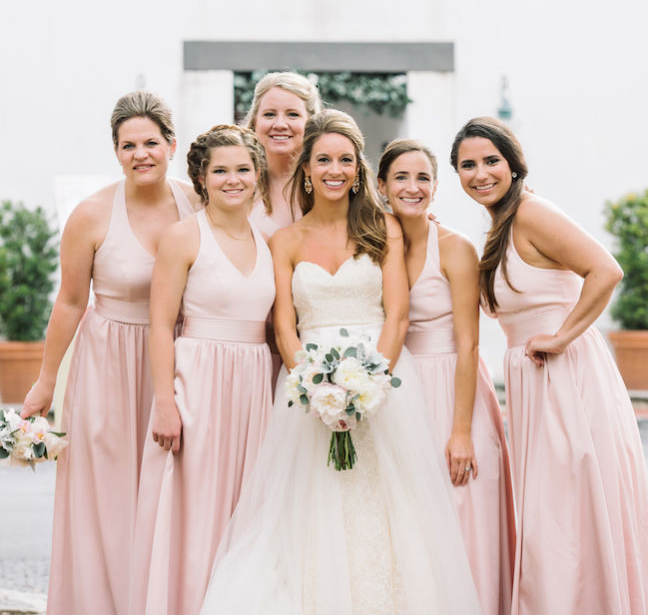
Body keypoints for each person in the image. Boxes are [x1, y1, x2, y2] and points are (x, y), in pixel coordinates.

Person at [200, 110, 481, 614]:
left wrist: (370, 385)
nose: (335, 169)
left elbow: (396, 317)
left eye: (346, 160)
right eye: (324, 159)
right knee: (311, 506)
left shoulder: (384, 229)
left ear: (358, 170)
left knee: (392, 507)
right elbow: (284, 325)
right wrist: (312, 386)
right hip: (307, 391)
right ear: (306, 168)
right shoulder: (283, 240)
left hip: (385, 385)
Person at [451, 116, 648, 615]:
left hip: (566, 379)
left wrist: (563, 336)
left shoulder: (532, 212)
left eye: (490, 161)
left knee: (566, 512)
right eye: (467, 165)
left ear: (513, 164)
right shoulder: (499, 226)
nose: (480, 173)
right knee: (554, 513)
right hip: (534, 384)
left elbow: (606, 269)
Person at [21, 91, 198, 615]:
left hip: (180, 362)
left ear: (171, 144)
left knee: (172, 489)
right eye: (128, 145)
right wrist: (45, 381)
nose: (140, 154)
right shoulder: (91, 214)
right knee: (108, 495)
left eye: (150, 143)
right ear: (116, 152)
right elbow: (70, 301)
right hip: (107, 364)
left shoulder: (199, 202)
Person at [129, 125, 275, 615]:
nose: (233, 180)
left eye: (242, 170)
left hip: (254, 387)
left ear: (257, 176)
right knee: (194, 511)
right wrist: (165, 403)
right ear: (201, 177)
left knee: (243, 509)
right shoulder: (183, 236)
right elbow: (160, 323)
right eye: (220, 171)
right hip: (197, 385)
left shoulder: (270, 240)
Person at [377, 139, 515, 615]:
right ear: (380, 186)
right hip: (400, 392)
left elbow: (470, 344)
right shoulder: (374, 246)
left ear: (435, 189)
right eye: (401, 177)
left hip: (455, 389)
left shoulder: (455, 249)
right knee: (410, 521)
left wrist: (460, 431)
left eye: (422, 178)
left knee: (463, 512)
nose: (412, 188)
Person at [245, 71, 322, 240]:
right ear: (255, 121)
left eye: (292, 114)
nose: (280, 124)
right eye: (269, 114)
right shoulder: (237, 182)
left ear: (311, 122)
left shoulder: (328, 181)